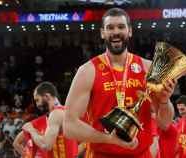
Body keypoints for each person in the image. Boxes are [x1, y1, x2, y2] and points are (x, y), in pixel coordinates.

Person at [64, 8, 176, 158]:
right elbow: (69, 126)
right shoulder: (87, 71)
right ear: (102, 33)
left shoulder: (148, 68)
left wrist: (164, 101)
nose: (116, 32)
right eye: (110, 27)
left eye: (121, 27)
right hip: (101, 154)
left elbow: (165, 124)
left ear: (130, 31)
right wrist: (109, 139)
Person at [22, 81, 78, 158]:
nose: (37, 105)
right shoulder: (66, 110)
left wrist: (31, 129)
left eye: (37, 100)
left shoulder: (56, 114)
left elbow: (46, 145)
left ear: (47, 96)